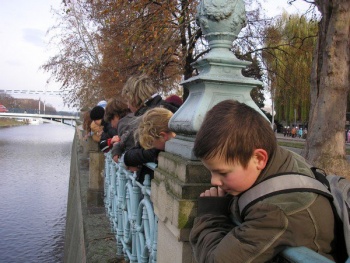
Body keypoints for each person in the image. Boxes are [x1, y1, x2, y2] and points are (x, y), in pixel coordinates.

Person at [189, 100, 342, 262]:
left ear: (258, 158)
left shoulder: (274, 211)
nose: (214, 181)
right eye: (211, 172)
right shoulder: (281, 161)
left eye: (222, 172)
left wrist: (210, 215)